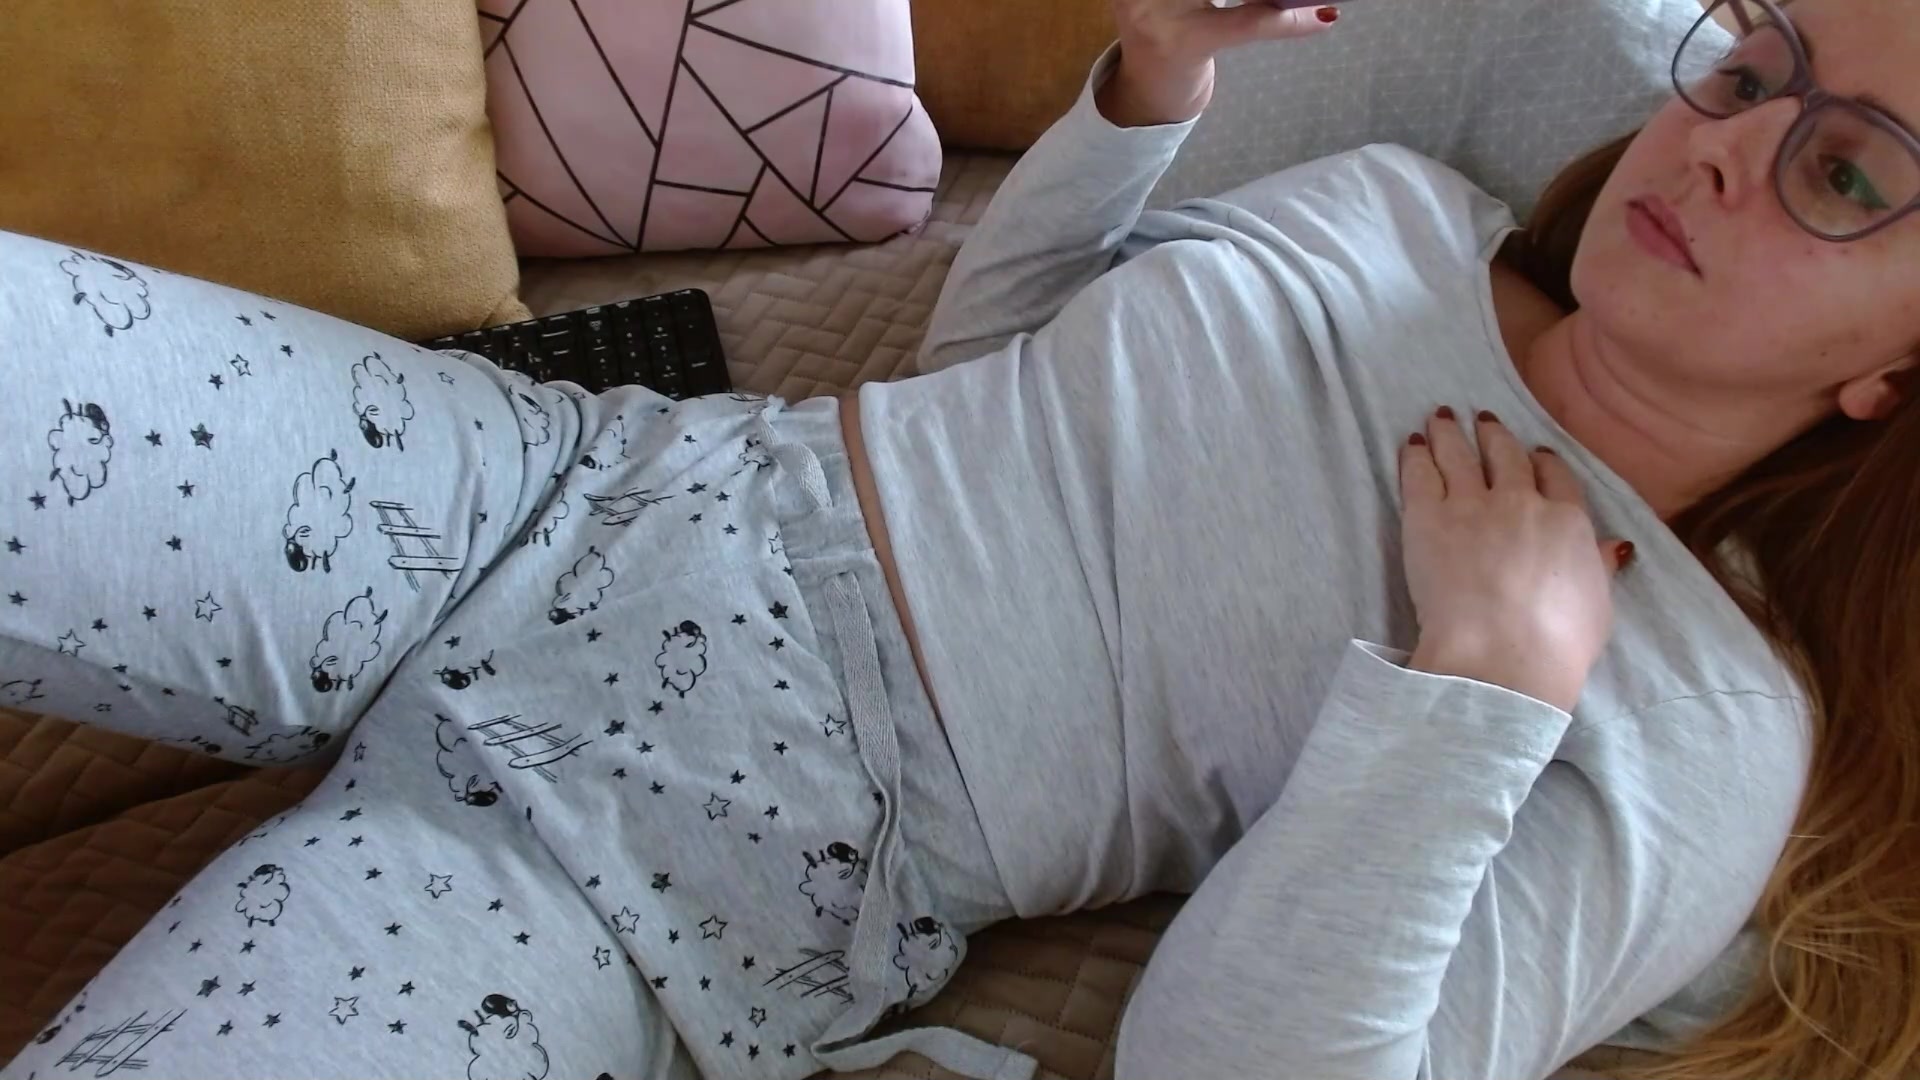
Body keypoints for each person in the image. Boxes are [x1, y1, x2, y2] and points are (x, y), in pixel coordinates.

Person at [3, 0, 1916, 1077]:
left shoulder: (1696, 719)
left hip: (666, 875)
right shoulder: (1405, 206)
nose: (1725, 145)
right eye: (1755, 66)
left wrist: (1475, 695)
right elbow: (989, 365)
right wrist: (1145, 93)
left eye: (1845, 170)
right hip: (545, 490)